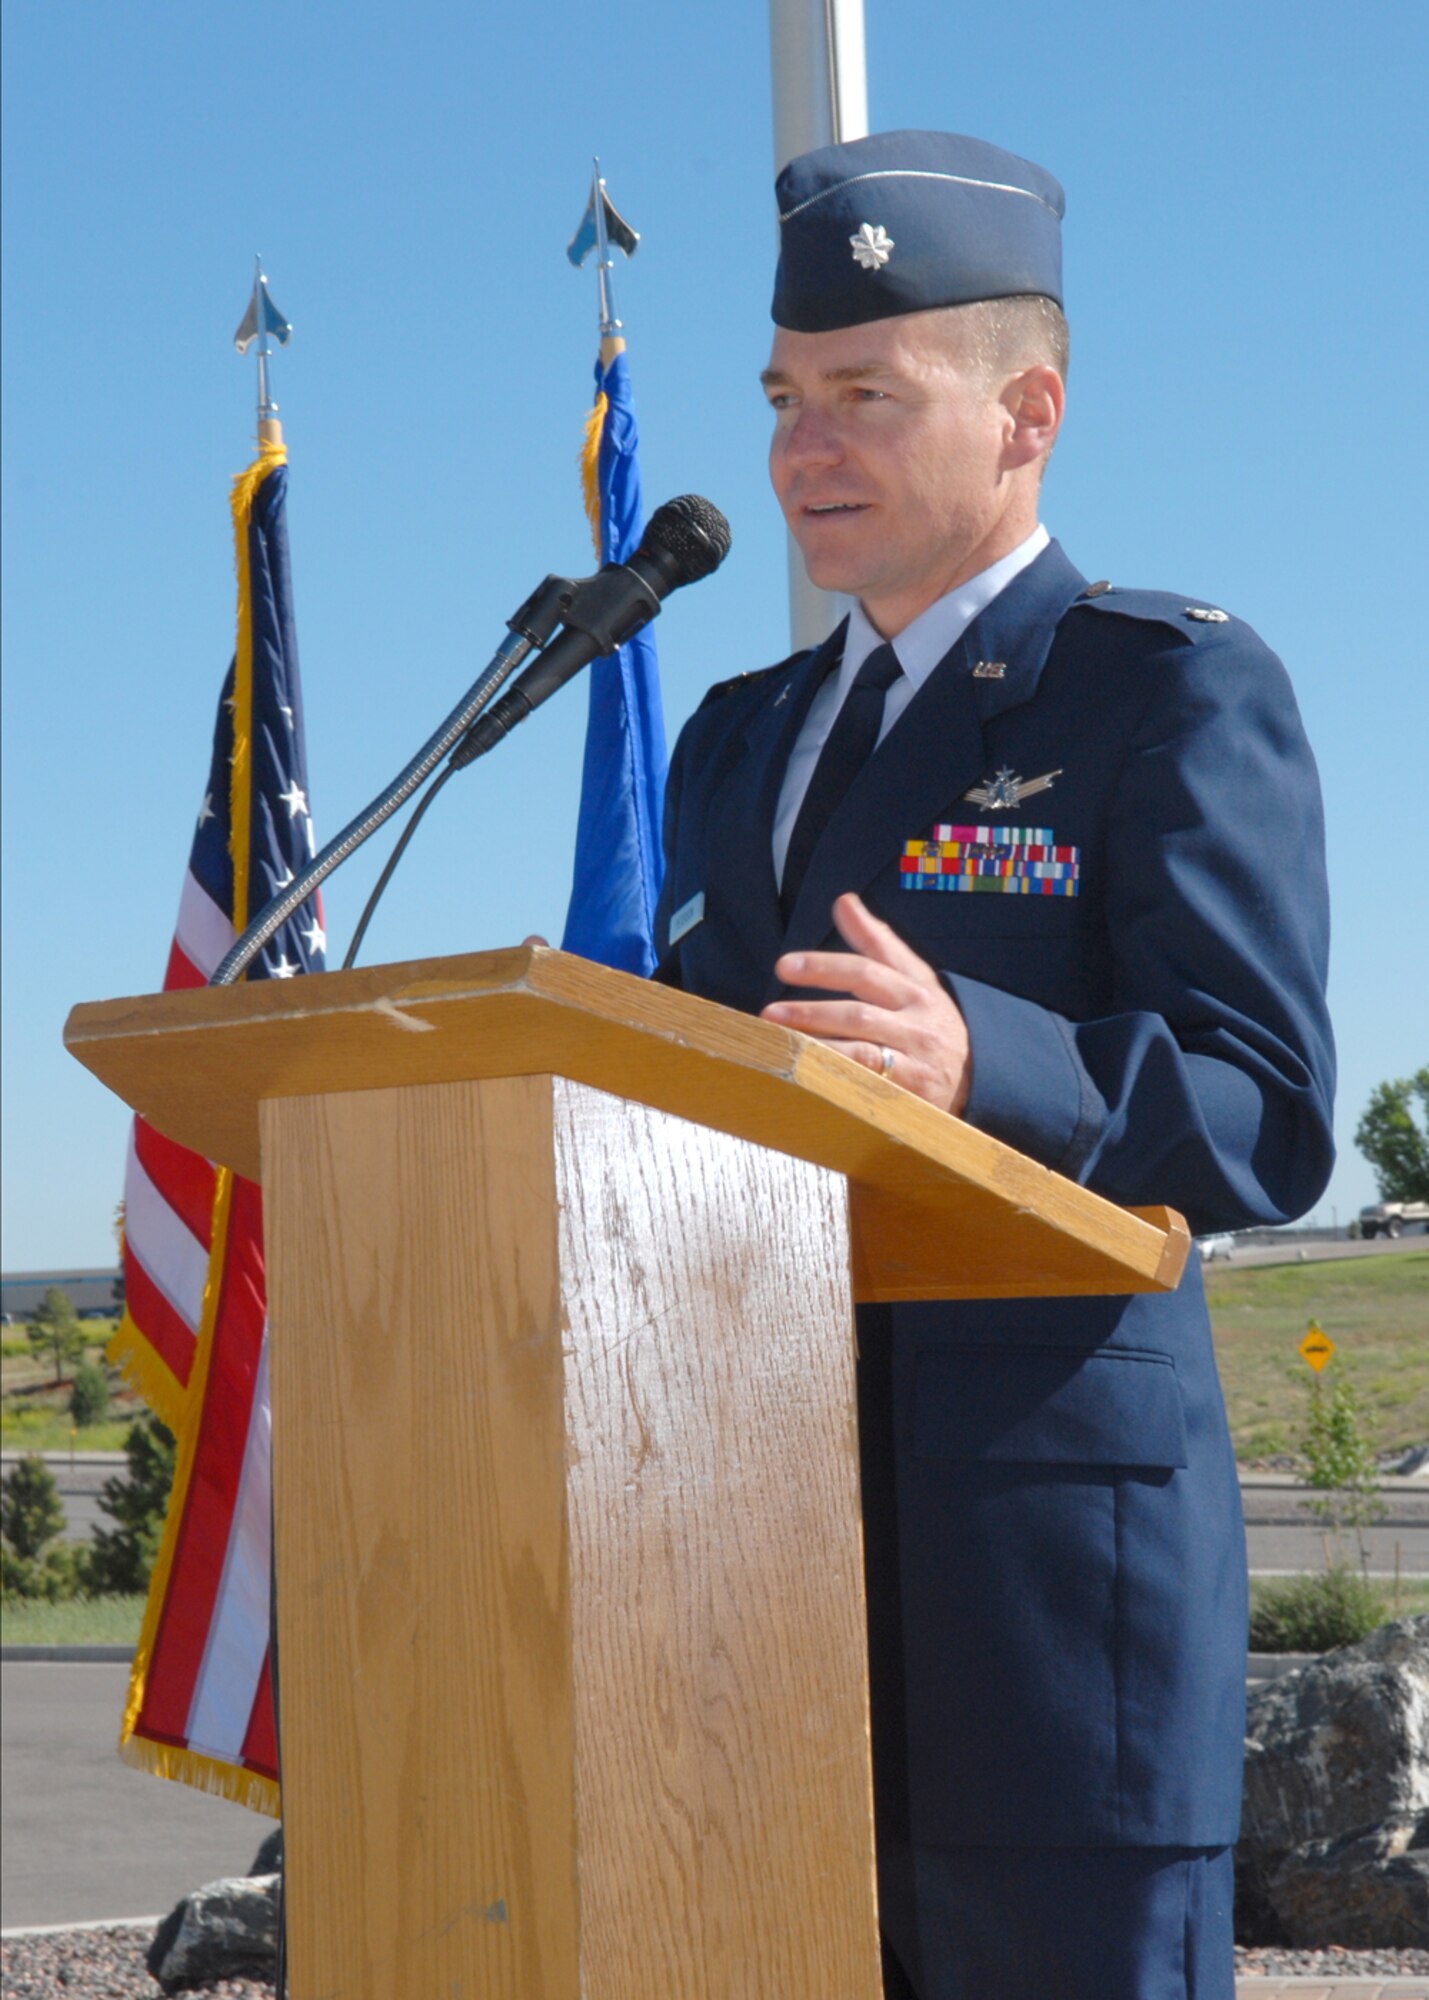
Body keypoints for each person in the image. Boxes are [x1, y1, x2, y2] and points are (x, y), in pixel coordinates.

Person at [651, 131, 1335, 2000]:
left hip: (1043, 1614)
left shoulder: (1163, 690)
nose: (801, 448)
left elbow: (1268, 1115)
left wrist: (989, 1068)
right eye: (786, 398)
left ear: (1026, 411)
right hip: (744, 1580)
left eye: (864, 395)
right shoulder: (737, 738)